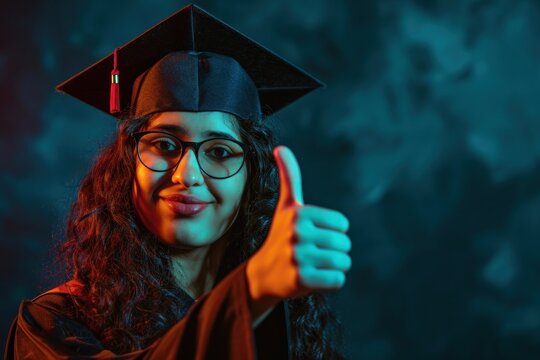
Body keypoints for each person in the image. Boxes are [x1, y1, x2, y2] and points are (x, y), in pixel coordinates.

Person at [4, 4, 352, 359]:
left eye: (220, 152)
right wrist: (249, 292)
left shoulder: (292, 319)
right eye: (164, 145)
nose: (187, 175)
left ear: (252, 178)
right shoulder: (55, 323)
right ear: (127, 165)